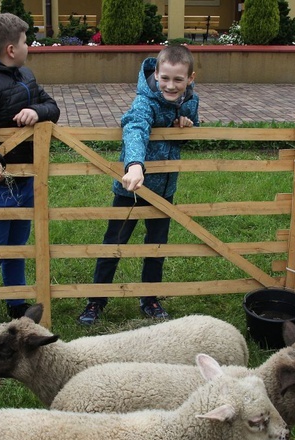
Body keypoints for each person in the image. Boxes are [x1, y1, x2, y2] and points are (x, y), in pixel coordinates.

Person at [77, 45, 200, 326]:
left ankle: (150, 298)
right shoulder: (144, 101)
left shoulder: (191, 100)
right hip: (131, 188)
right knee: (114, 244)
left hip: (164, 190)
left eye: (178, 80)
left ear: (190, 79)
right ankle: (96, 300)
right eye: (165, 78)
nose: (170, 85)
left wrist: (186, 125)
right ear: (155, 73)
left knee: (156, 247)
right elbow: (135, 127)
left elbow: (188, 136)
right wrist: (134, 164)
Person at [0, 13, 60, 321]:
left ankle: (16, 302)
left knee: (18, 245)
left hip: (25, 178)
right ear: (10, 49)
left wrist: (35, 110)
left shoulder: (25, 75)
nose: (28, 44)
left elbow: (52, 107)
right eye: (24, 41)